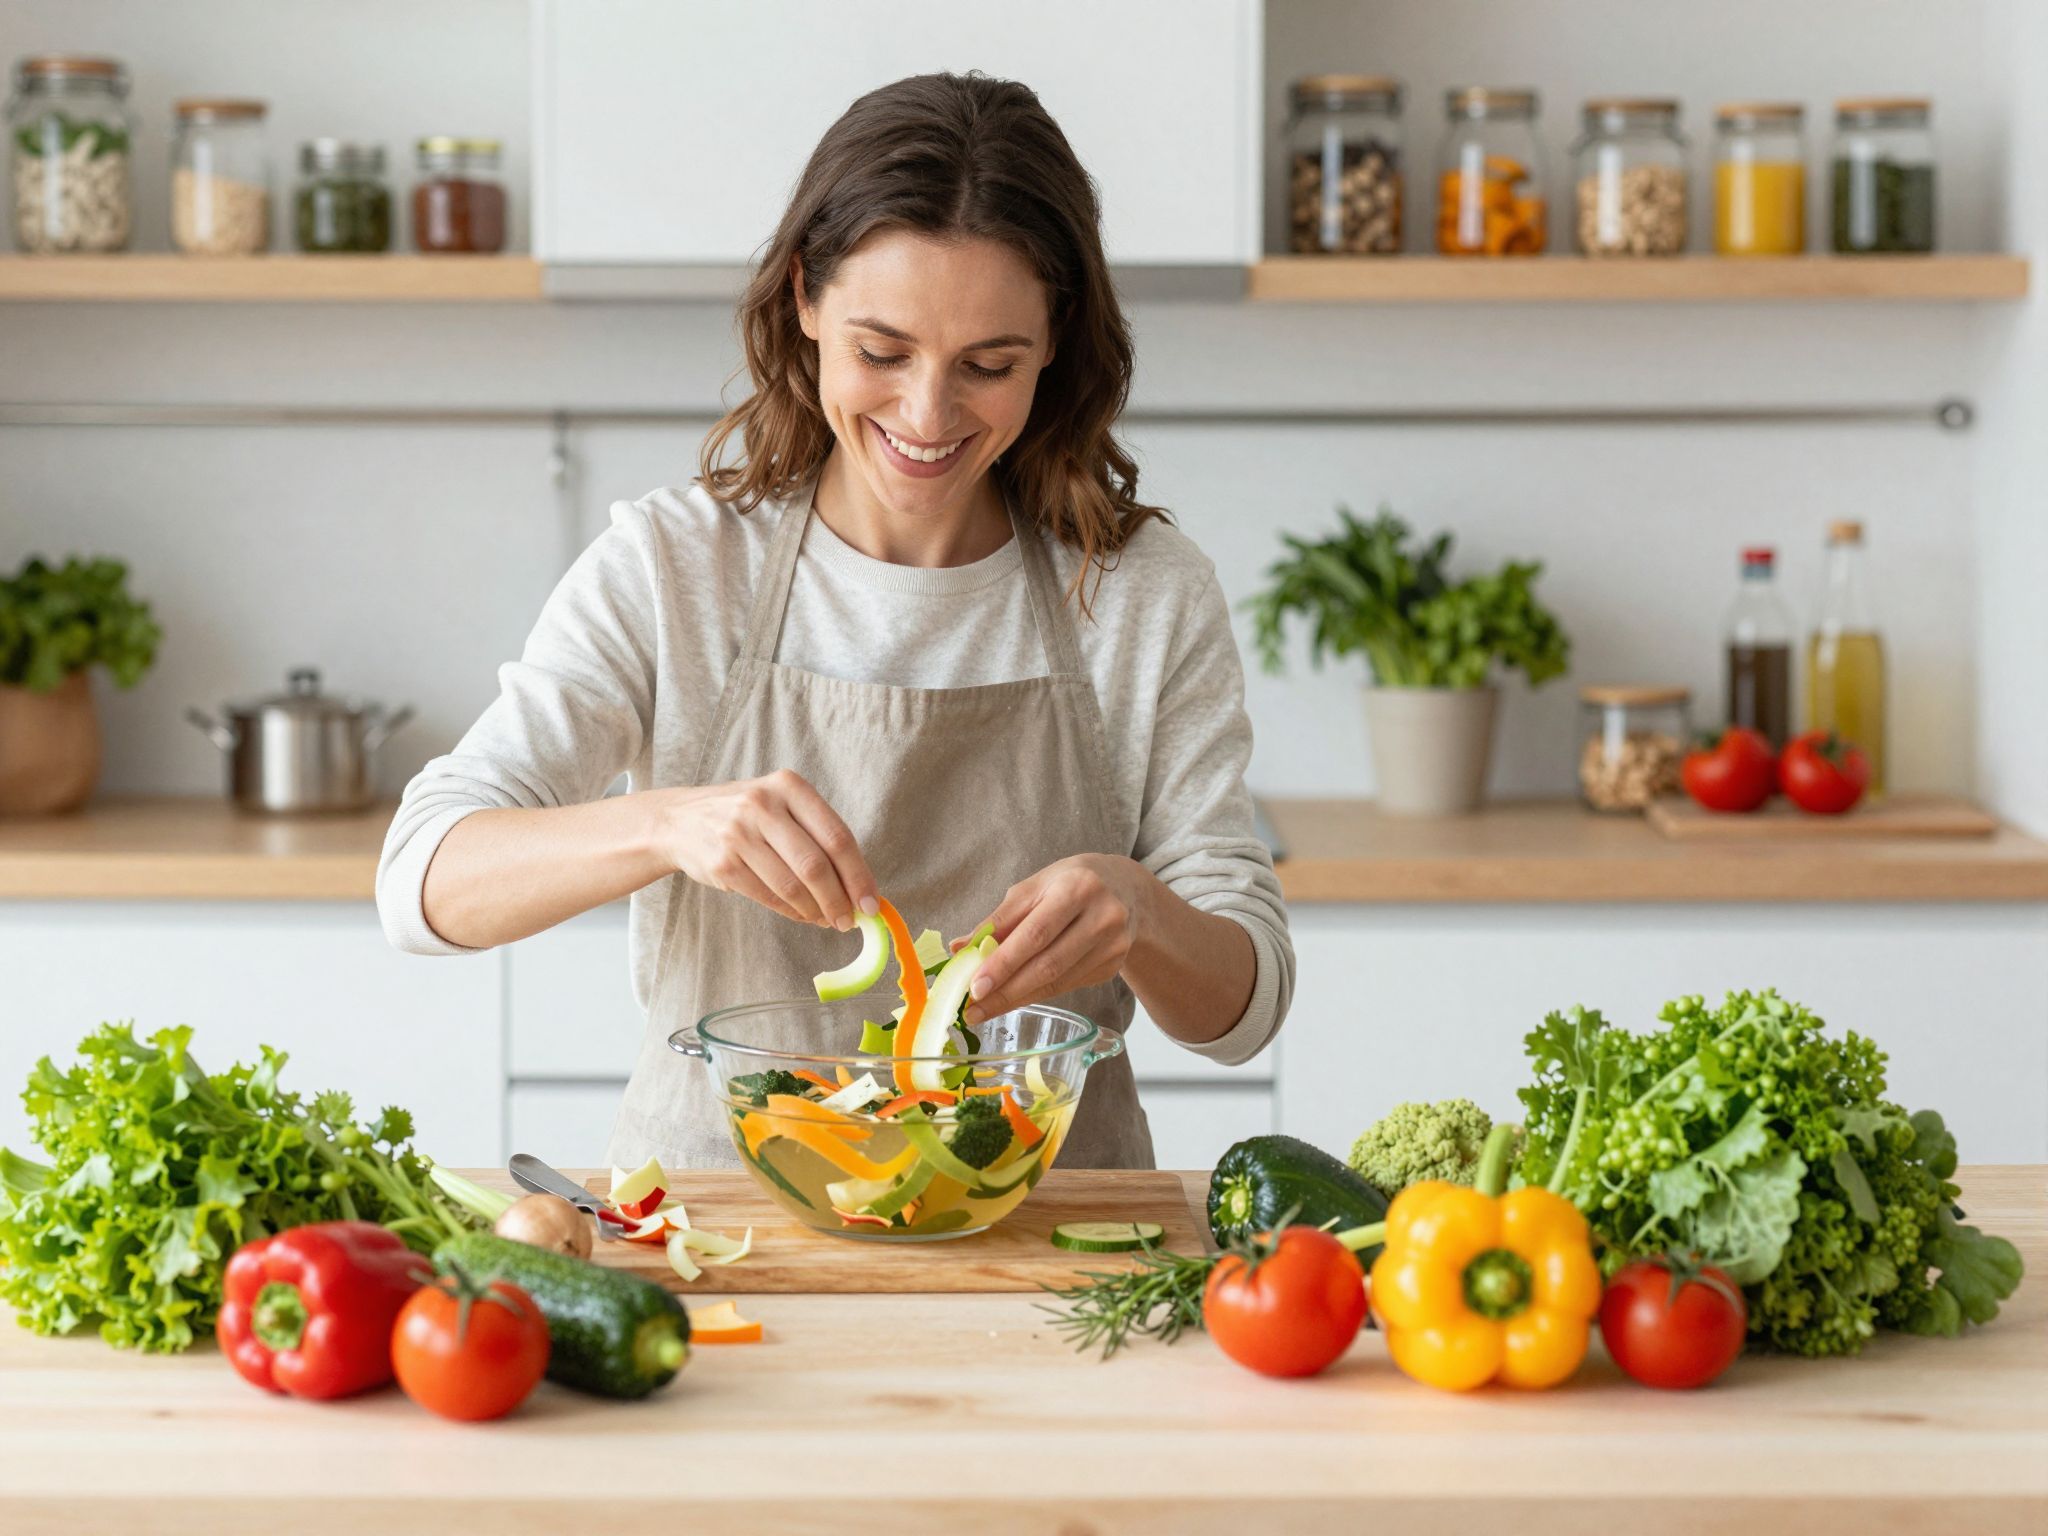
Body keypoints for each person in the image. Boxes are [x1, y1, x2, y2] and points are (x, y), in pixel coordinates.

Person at [377, 72, 1293, 1170]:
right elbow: (422, 882)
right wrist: (667, 826)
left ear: (1055, 342)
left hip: (1050, 1232)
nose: (927, 414)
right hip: (720, 1225)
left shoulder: (1142, 592)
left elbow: (1241, 1014)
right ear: (805, 300)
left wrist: (1140, 909)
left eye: (988, 365)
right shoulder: (676, 565)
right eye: (881, 353)